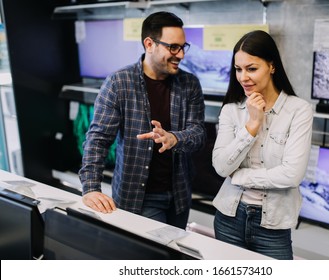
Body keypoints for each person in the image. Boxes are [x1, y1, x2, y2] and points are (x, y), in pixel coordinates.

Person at [79, 11, 207, 229]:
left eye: (183, 47)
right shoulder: (119, 82)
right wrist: (91, 187)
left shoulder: (190, 83)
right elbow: (98, 139)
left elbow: (198, 134)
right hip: (137, 197)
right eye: (173, 47)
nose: (181, 55)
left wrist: (174, 138)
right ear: (150, 44)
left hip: (179, 196)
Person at [212, 30, 313, 259]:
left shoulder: (298, 111)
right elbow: (220, 167)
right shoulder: (231, 110)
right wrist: (253, 124)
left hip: (273, 225)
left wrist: (240, 177)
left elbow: (292, 175)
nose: (243, 77)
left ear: (272, 66)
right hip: (228, 217)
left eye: (252, 68)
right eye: (238, 69)